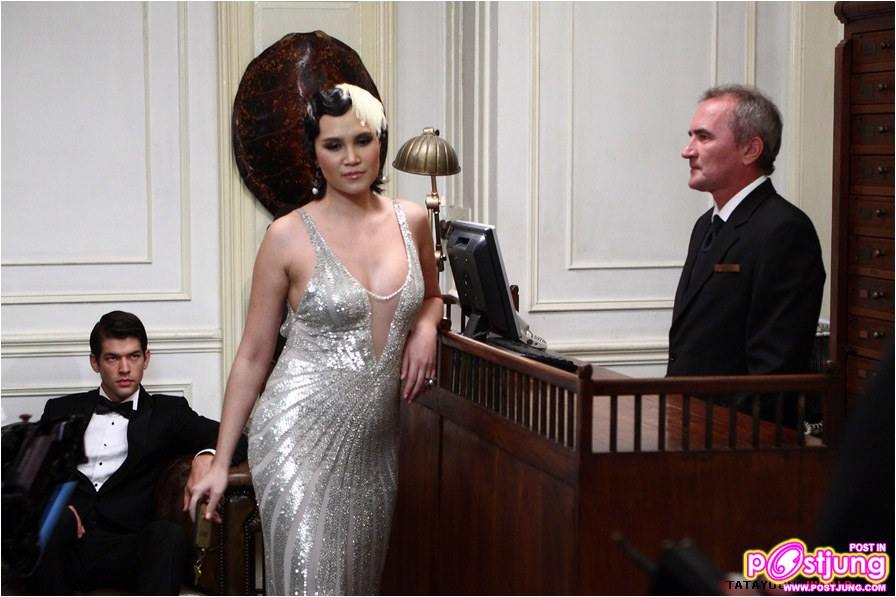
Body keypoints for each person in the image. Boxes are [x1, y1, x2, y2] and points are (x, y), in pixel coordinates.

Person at [188, 83, 443, 595]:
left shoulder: (413, 221)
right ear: (314, 152)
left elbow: (433, 296)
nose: (351, 157)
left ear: (380, 141)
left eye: (363, 140)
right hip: (298, 435)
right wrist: (220, 459)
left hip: (376, 443)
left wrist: (426, 326)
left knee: (357, 584)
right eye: (333, 145)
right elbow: (253, 355)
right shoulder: (286, 236)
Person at [31, 310, 247, 594]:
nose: (124, 368)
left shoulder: (168, 413)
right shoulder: (61, 410)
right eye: (112, 358)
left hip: (129, 549)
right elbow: (28, 472)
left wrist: (206, 455)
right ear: (95, 362)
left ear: (146, 358)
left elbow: (237, 439)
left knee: (168, 535)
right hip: (67, 547)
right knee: (53, 521)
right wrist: (58, 507)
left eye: (133, 356)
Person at [668, 85, 825, 421]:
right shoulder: (705, 225)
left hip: (738, 438)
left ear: (751, 149)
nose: (687, 151)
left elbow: (774, 368)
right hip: (688, 424)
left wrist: (723, 435)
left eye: (703, 137)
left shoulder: (784, 230)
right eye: (690, 136)